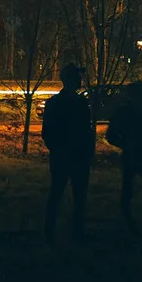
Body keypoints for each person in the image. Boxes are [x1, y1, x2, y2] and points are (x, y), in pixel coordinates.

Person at [41, 64, 95, 243]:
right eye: (77, 76)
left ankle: (51, 232)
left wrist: (57, 150)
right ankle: (76, 234)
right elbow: (86, 131)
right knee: (77, 196)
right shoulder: (79, 103)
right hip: (76, 156)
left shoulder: (55, 103)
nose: (80, 80)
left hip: (64, 156)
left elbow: (47, 133)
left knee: (58, 194)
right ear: (70, 79)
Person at [106, 80, 142, 234]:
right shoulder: (130, 112)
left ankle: (137, 222)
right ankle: (136, 222)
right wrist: (127, 145)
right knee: (136, 189)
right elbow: (111, 135)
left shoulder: (137, 112)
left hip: (139, 155)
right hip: (134, 155)